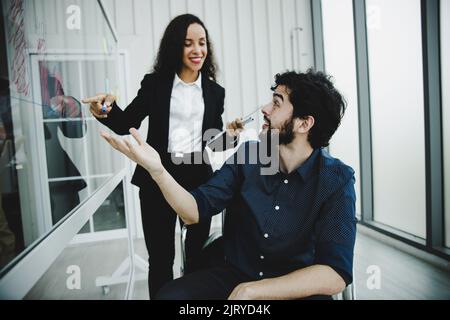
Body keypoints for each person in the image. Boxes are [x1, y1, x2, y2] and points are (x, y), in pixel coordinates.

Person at [100, 69, 357, 300]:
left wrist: (254, 291)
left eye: (276, 104)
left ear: (304, 123)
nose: (265, 109)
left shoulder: (336, 181)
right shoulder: (249, 156)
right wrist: (157, 170)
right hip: (232, 275)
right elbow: (192, 211)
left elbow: (335, 274)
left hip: (291, 287)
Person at [83, 14, 241, 298]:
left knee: (197, 258)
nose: (197, 50)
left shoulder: (216, 92)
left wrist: (231, 135)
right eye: (188, 43)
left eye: (202, 43)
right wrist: (105, 110)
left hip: (197, 177)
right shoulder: (155, 84)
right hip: (157, 176)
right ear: (175, 48)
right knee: (160, 259)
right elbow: (126, 122)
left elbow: (213, 144)